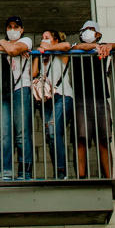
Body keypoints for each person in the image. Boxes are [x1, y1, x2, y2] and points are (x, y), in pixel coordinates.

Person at [0, 16, 33, 180]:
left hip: (21, 89)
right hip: (4, 90)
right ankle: (5, 172)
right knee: (3, 133)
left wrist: (4, 45)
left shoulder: (27, 40)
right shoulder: (2, 42)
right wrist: (7, 45)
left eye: (16, 27)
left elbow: (13, 50)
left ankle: (25, 172)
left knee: (22, 133)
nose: (13, 29)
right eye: (9, 27)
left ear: (21, 29)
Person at [71, 20, 115, 179]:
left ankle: (108, 177)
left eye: (91, 30)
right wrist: (94, 47)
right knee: (81, 139)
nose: (88, 32)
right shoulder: (77, 47)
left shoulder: (104, 46)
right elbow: (78, 47)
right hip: (80, 99)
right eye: (85, 30)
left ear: (98, 34)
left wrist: (110, 46)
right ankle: (82, 176)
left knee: (104, 140)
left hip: (100, 98)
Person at [33, 30, 73, 179]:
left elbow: (67, 46)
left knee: (53, 128)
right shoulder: (44, 58)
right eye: (42, 37)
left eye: (47, 37)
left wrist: (48, 48)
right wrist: (38, 54)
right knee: (50, 135)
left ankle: (62, 171)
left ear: (55, 40)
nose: (44, 40)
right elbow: (34, 73)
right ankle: (58, 170)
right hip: (47, 100)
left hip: (62, 96)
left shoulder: (60, 54)